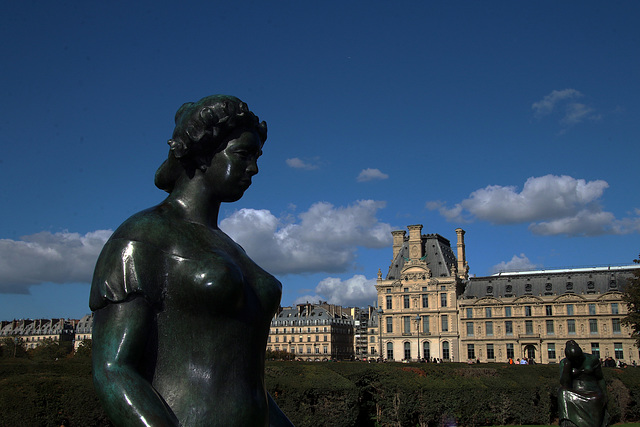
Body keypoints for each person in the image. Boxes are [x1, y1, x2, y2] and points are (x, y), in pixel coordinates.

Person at [90, 95, 293, 427]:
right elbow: (113, 371)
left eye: (257, 157)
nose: (254, 168)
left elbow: (246, 381)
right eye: (243, 154)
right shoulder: (142, 238)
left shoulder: (231, 248)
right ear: (201, 154)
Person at [558, 340, 609, 427]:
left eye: (578, 358)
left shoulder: (592, 359)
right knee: (562, 392)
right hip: (575, 391)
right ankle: (568, 424)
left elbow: (600, 378)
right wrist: (567, 366)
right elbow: (564, 383)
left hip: (592, 391)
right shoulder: (565, 362)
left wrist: (604, 394)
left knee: (596, 398)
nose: (576, 361)